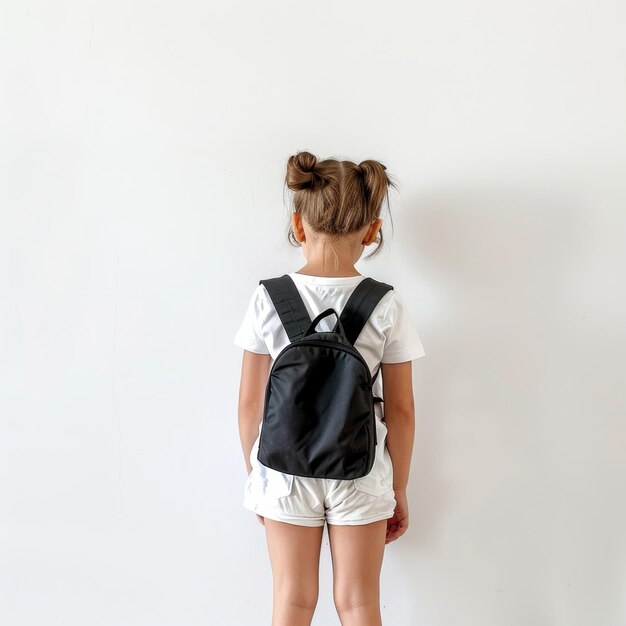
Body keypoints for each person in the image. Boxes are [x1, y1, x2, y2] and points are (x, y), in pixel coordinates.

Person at [233, 150, 426, 626]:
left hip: (285, 468)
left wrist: (259, 478)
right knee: (359, 604)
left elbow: (249, 404)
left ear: (298, 226)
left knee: (293, 601)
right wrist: (398, 488)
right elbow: (400, 411)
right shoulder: (386, 304)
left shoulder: (268, 297)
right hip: (359, 470)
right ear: (372, 229)